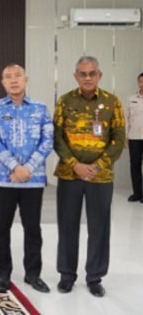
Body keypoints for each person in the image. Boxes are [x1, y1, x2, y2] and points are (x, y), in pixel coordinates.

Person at [53, 56, 125, 297]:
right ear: (75, 76)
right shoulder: (65, 101)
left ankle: (95, 277)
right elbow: (57, 137)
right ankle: (66, 275)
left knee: (99, 228)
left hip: (100, 176)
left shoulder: (112, 102)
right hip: (69, 174)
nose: (87, 78)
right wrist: (75, 164)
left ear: (99, 75)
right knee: (67, 226)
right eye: (82, 73)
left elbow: (119, 138)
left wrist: (97, 165)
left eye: (92, 73)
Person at [0, 64, 53, 293]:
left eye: (18, 76)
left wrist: (28, 168)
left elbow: (48, 141)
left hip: (33, 179)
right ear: (2, 82)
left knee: (32, 229)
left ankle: (33, 274)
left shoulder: (40, 108)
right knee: (1, 228)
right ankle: (3, 275)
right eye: (8, 77)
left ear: (26, 79)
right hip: (4, 179)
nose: (13, 80)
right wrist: (15, 166)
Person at [125, 72, 143, 202]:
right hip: (134, 137)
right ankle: (137, 193)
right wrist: (126, 135)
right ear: (138, 83)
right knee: (135, 166)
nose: (142, 84)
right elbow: (125, 118)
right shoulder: (131, 99)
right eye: (140, 81)